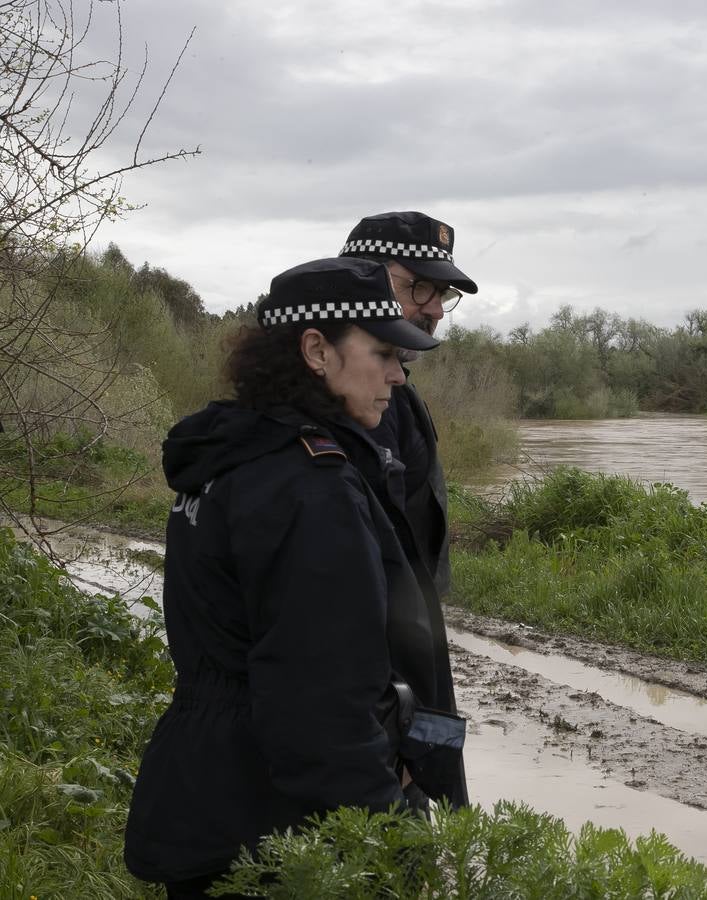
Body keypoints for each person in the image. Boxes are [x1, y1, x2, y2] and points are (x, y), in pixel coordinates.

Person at [124, 258, 466, 898]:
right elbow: (321, 705)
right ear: (316, 350)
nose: (398, 374)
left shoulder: (230, 455)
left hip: (209, 794)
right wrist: (390, 839)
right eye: (384, 353)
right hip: (277, 828)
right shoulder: (309, 487)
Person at [338, 211, 476, 801]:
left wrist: (424, 742)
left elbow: (416, 579)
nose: (435, 307)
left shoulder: (401, 406)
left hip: (405, 692)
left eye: (441, 292)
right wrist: (379, 746)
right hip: (353, 723)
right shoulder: (300, 417)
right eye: (418, 285)